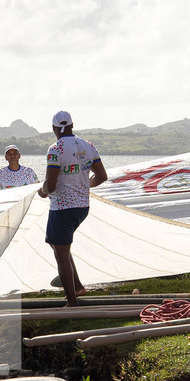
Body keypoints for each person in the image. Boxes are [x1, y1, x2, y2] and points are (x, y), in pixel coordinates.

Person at [39, 110, 107, 306]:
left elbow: (50, 186)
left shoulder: (55, 150)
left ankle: (72, 303)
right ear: (72, 125)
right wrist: (84, 185)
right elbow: (101, 176)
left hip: (62, 208)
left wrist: (42, 192)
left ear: (54, 129)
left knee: (60, 254)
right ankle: (77, 286)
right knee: (58, 245)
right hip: (82, 207)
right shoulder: (88, 146)